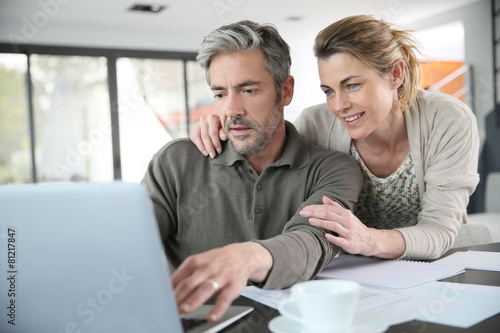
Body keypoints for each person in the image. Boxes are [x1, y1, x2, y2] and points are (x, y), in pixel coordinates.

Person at [190, 15, 480, 261]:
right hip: (350, 268)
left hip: (430, 263)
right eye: (328, 91)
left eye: (352, 85)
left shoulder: (447, 121)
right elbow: (267, 157)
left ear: (395, 73)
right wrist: (226, 125)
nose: (339, 105)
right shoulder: (315, 124)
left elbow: (439, 230)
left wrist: (370, 240)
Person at [141, 20, 362, 322]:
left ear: (285, 91)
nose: (232, 110)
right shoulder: (175, 162)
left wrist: (247, 257)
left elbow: (312, 242)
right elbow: (131, 245)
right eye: (220, 94)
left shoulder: (333, 170)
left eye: (247, 90)